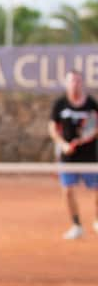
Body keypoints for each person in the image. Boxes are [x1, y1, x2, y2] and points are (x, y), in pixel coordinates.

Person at [48, 70, 98, 240]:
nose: (75, 84)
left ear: (82, 83)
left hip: (90, 158)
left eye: (77, 81)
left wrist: (87, 137)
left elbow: (95, 126)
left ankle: (97, 220)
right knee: (68, 190)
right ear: (67, 84)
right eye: (72, 81)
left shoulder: (91, 104)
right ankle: (76, 225)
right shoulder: (60, 104)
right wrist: (62, 145)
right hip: (68, 158)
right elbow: (52, 128)